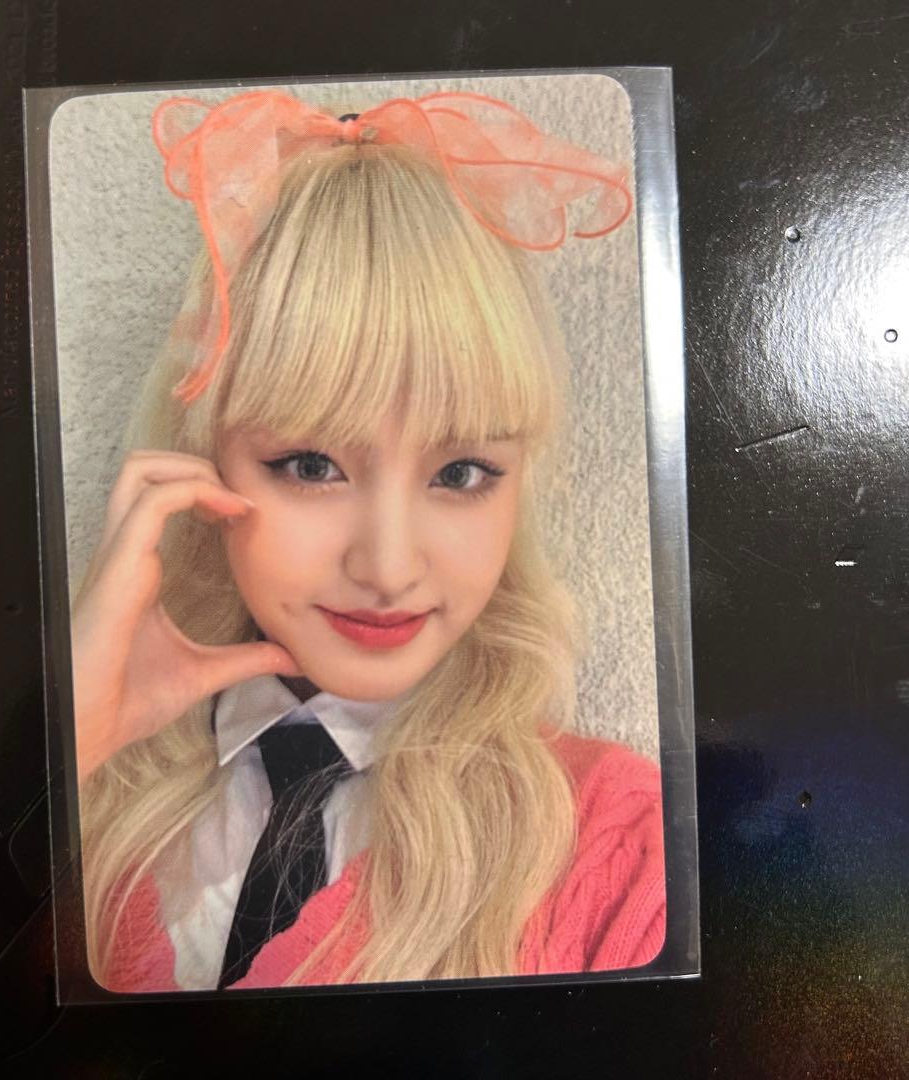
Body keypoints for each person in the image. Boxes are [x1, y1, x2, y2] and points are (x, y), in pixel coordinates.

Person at [70, 89, 665, 993]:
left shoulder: (621, 856)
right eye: (311, 465)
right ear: (203, 461)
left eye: (460, 473)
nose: (388, 569)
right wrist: (64, 744)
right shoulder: (68, 794)